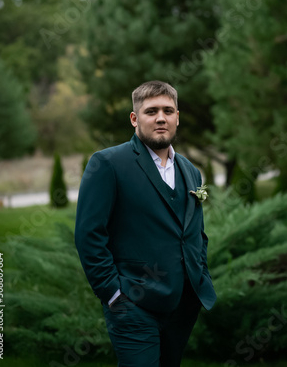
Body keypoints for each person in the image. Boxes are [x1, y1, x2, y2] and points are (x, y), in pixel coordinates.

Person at [75, 80, 217, 366]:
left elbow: (194, 233)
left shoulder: (191, 171)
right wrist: (113, 293)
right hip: (133, 304)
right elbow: (89, 234)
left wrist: (199, 275)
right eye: (151, 111)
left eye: (168, 110)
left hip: (183, 304)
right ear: (134, 118)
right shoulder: (108, 163)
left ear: (178, 116)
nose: (161, 118)